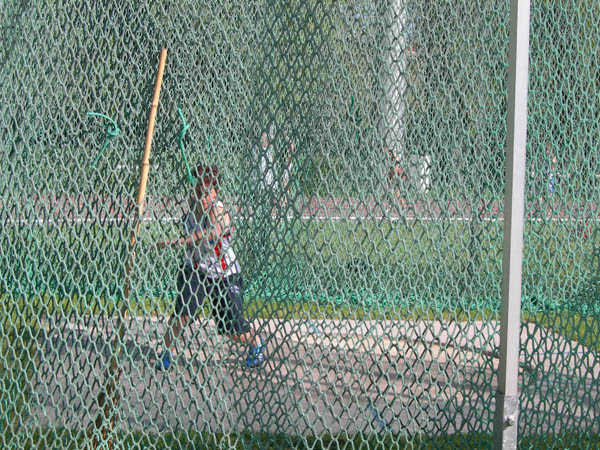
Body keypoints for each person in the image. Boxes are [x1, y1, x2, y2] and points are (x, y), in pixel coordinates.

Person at [156, 164, 265, 369]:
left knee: (232, 330)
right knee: (183, 314)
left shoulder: (219, 210)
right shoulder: (192, 209)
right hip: (196, 269)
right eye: (199, 193)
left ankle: (256, 343)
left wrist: (183, 241)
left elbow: (214, 231)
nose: (203, 198)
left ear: (216, 193)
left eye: (207, 193)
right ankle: (166, 353)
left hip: (224, 274)